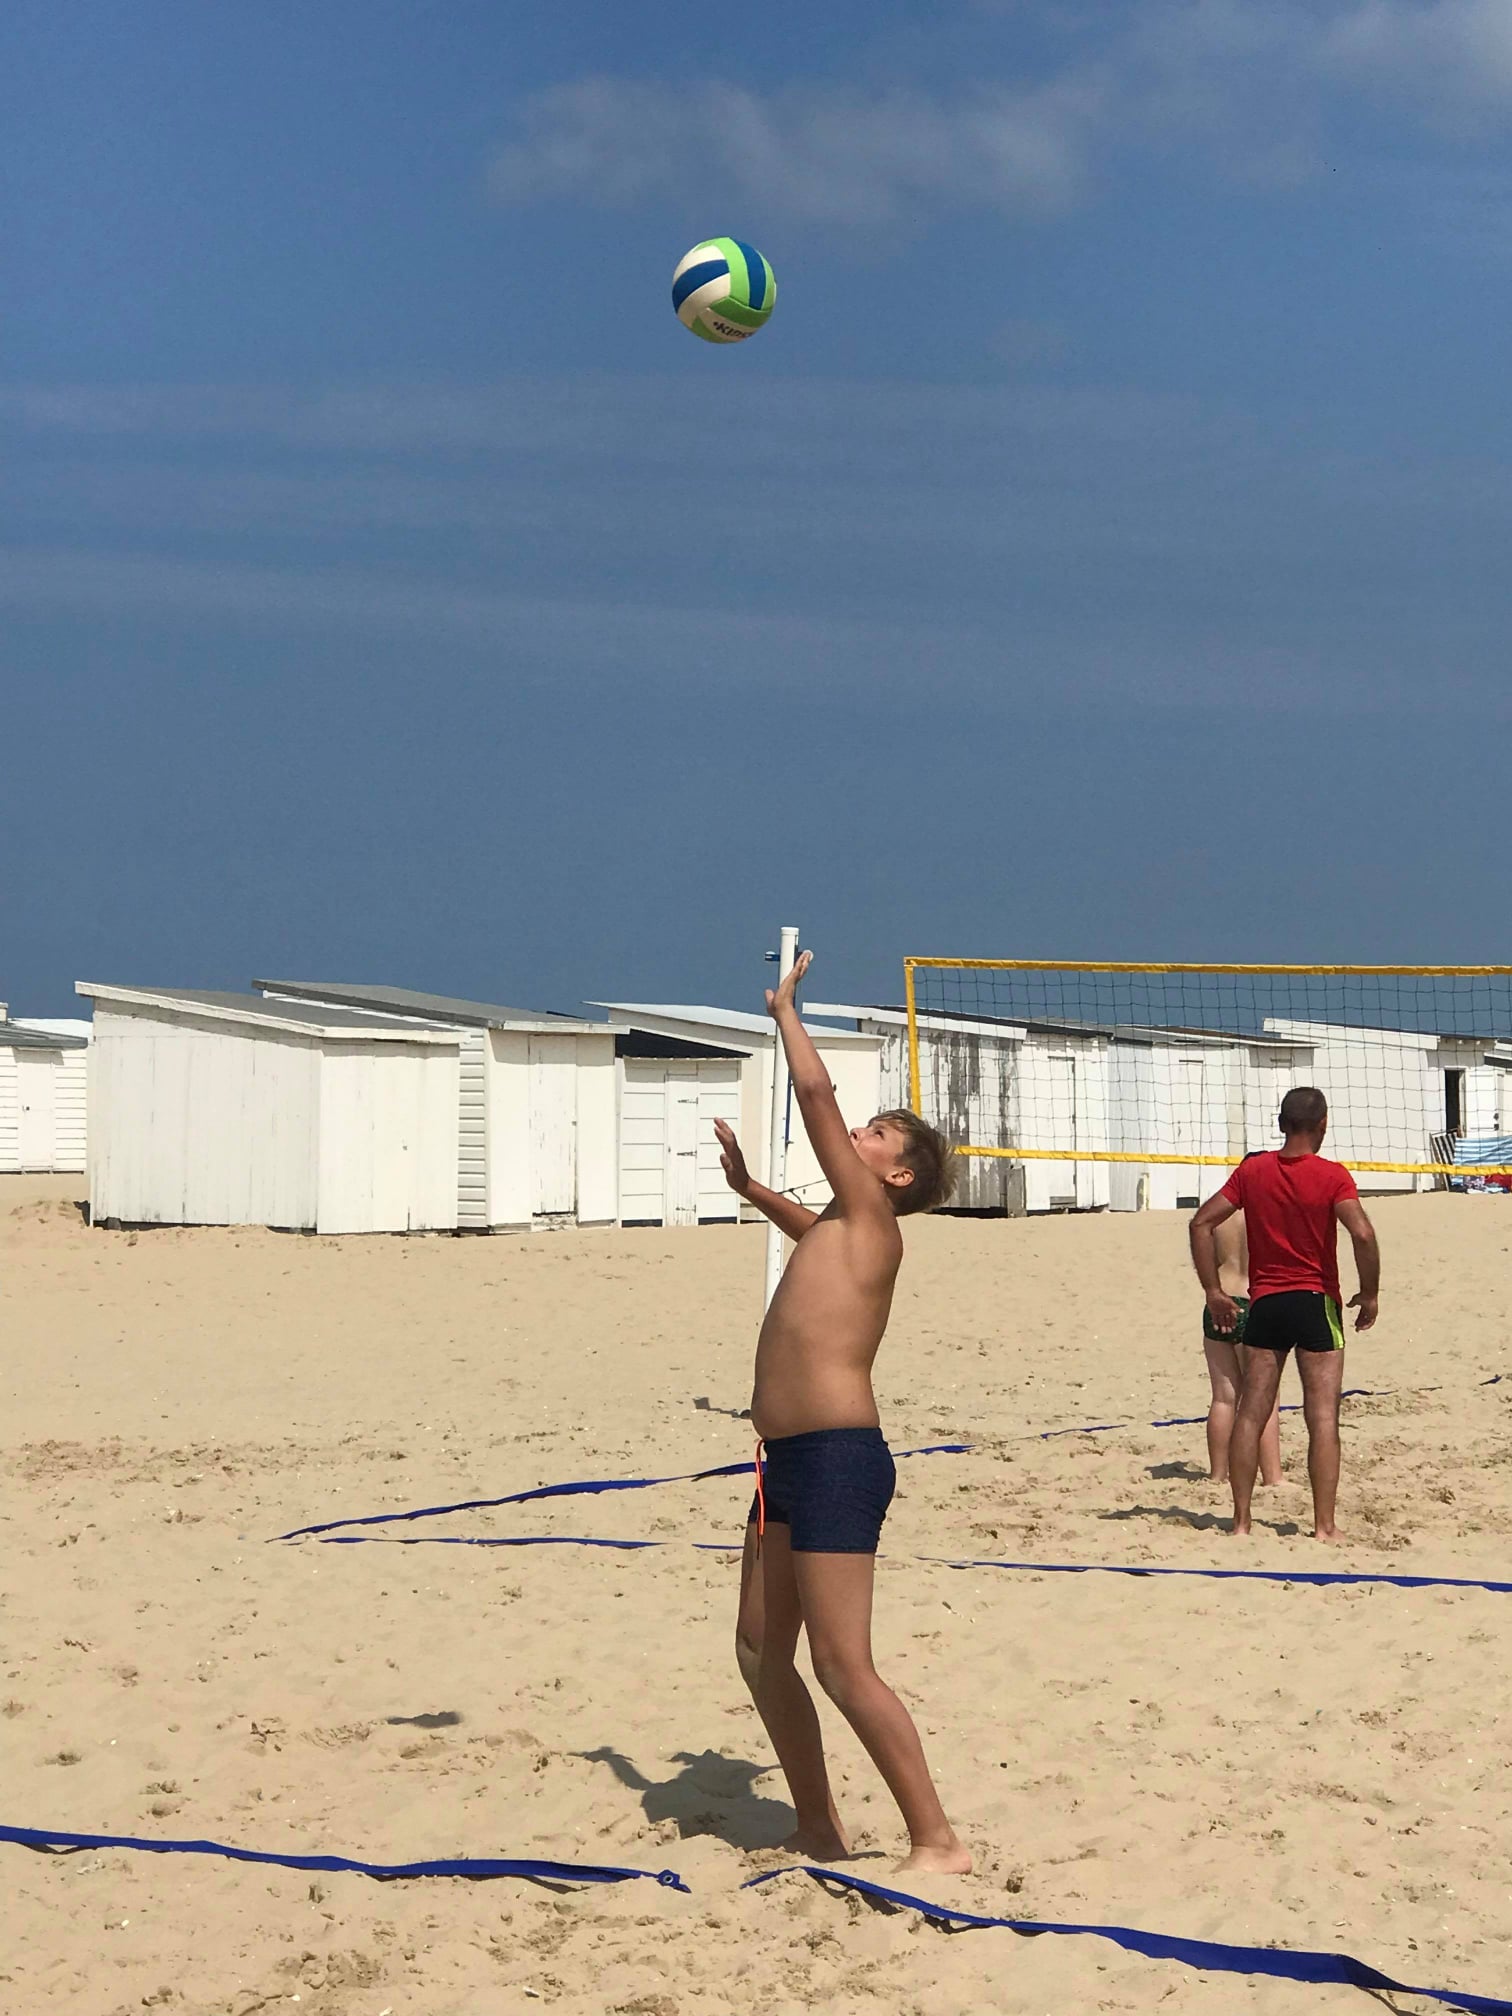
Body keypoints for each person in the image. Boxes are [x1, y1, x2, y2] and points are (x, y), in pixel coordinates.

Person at [713, 949, 970, 1874]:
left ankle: (936, 1839)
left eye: (876, 1135)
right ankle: (818, 1827)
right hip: (785, 1460)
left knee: (841, 1665)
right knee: (758, 1650)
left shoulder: (872, 1218)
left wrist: (786, 1012)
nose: (857, 1135)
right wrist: (751, 1190)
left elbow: (816, 1097)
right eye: (865, 1128)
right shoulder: (841, 1224)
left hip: (836, 1457)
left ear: (896, 1177)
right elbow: (808, 1229)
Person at [1189, 1087, 1380, 1543]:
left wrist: (1213, 1291)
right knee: (1322, 1417)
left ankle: (1240, 1522)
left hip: (1267, 1303)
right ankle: (1324, 1527)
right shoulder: (1332, 1176)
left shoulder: (1253, 1171)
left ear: (1280, 1124)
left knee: (1250, 1412)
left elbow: (1200, 1222)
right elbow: (1362, 1233)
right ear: (1323, 1125)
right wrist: (1370, 1293)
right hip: (1315, 1300)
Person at [1201, 1189, 1282, 1487]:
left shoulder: (1219, 1213)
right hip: (1253, 1302)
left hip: (1219, 1299)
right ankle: (1273, 1476)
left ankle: (1217, 1474)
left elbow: (1204, 1253)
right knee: (1264, 1398)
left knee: (1223, 1397)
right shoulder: (1269, 1209)